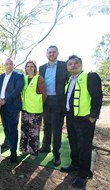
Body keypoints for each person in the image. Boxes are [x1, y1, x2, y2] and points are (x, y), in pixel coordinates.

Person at [60, 55, 102, 188]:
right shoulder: (69, 80)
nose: (73, 65)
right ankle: (75, 164)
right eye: (70, 64)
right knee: (73, 142)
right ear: (67, 67)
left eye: (76, 63)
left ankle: (83, 174)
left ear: (81, 64)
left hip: (85, 119)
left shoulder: (90, 76)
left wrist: (93, 116)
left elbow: (97, 96)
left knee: (84, 146)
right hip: (71, 117)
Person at [39, 45, 69, 166]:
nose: (51, 54)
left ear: (57, 53)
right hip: (46, 101)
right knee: (46, 126)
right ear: (46, 54)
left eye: (53, 52)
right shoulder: (41, 68)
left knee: (57, 128)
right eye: (49, 52)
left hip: (58, 101)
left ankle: (56, 154)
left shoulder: (63, 65)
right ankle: (45, 146)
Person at [0, 58, 24, 163]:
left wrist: (5, 100)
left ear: (14, 65)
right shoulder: (1, 77)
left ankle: (13, 153)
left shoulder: (19, 76)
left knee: (12, 129)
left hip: (13, 107)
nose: (9, 66)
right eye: (7, 64)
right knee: (6, 127)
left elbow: (17, 90)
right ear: (4, 65)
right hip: (2, 107)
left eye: (11, 64)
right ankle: (9, 144)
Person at [20, 60, 47, 160]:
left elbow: (44, 95)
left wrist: (38, 105)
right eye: (27, 66)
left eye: (31, 66)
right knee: (24, 131)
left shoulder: (39, 79)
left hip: (35, 112)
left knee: (34, 133)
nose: (29, 68)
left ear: (35, 68)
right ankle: (24, 150)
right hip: (25, 110)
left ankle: (33, 152)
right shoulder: (24, 79)